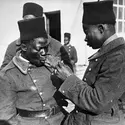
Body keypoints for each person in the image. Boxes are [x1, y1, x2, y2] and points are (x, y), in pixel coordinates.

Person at [52, 1, 125, 125]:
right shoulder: (107, 53)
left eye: (86, 31)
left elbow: (97, 102)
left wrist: (68, 79)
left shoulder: (118, 57)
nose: (85, 38)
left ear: (101, 29)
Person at [0, 17, 69, 125]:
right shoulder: (8, 75)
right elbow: (6, 117)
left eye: (46, 47)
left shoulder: (52, 63)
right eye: (39, 48)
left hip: (60, 120)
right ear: (23, 47)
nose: (44, 52)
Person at [0, 2, 73, 71]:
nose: (28, 25)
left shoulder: (56, 46)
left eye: (32, 21)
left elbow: (69, 73)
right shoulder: (13, 47)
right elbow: (3, 74)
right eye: (25, 21)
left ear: (40, 23)